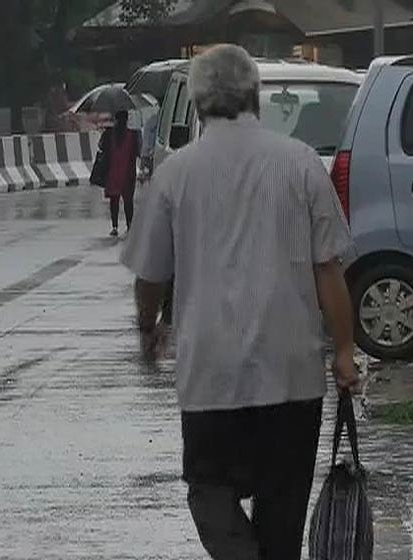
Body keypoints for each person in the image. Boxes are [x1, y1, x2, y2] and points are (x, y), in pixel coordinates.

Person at [121, 45, 360, 560]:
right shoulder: (299, 163)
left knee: (210, 489)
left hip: (211, 372)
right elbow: (328, 270)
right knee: (283, 501)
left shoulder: (174, 174)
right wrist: (344, 350)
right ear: (256, 97)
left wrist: (147, 327)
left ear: (199, 102)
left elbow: (151, 274)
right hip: (292, 372)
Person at [100, 110, 140, 237]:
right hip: (128, 173)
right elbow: (138, 152)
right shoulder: (133, 135)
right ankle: (129, 225)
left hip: (113, 172)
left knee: (114, 200)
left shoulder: (109, 134)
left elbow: (101, 147)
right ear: (127, 120)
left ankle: (115, 226)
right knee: (128, 201)